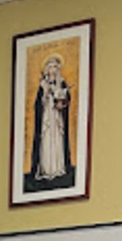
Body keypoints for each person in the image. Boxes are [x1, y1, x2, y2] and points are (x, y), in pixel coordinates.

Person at [29, 55, 72, 186]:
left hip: (57, 117)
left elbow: (67, 99)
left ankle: (59, 168)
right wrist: (45, 95)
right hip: (47, 118)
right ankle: (46, 169)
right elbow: (37, 104)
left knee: (57, 140)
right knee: (46, 141)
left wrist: (62, 102)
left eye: (55, 67)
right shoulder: (43, 84)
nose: (52, 69)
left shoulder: (62, 82)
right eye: (50, 67)